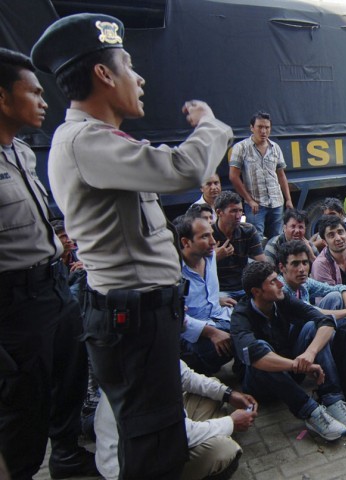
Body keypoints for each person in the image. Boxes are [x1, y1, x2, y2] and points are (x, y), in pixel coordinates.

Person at [31, 13, 233, 479]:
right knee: (150, 444)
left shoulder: (101, 142)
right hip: (132, 319)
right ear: (103, 74)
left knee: (157, 435)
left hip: (143, 316)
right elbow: (184, 167)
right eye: (128, 65)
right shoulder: (85, 142)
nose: (139, 78)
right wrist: (210, 123)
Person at [0, 47, 95, 480]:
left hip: (54, 288)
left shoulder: (20, 152)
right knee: (24, 405)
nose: (43, 101)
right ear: (3, 98)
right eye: (33, 93)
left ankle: (67, 458)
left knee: (69, 381)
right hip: (15, 305)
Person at [230, 261, 346, 441]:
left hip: (293, 368)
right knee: (260, 349)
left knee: (311, 327)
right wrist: (296, 364)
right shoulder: (240, 316)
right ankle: (311, 412)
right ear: (256, 292)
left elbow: (325, 321)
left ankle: (332, 399)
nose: (280, 284)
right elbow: (256, 358)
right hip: (259, 384)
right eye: (272, 282)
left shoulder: (282, 298)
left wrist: (310, 352)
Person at [95, 360, 257, 480]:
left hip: (159, 440)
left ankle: (210, 433)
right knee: (225, 450)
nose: (186, 313)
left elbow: (186, 376)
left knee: (213, 389)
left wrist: (229, 394)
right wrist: (231, 422)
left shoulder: (148, 350)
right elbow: (182, 434)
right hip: (133, 471)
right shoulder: (143, 385)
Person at [177, 215, 236, 376]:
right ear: (185, 242)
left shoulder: (210, 256)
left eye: (211, 234)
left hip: (220, 317)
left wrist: (218, 300)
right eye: (204, 236)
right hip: (194, 333)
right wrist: (211, 332)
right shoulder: (173, 273)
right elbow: (175, 317)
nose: (212, 241)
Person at [229, 111, 294, 239]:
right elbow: (233, 176)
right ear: (252, 128)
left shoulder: (275, 148)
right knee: (255, 240)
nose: (263, 131)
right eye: (260, 127)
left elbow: (281, 175)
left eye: (267, 127)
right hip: (256, 205)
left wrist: (288, 199)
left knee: (277, 239)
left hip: (276, 203)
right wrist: (249, 200)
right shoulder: (241, 147)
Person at [212, 191, 267, 299]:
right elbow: (197, 269)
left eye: (240, 211)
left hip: (244, 287)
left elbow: (262, 262)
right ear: (219, 212)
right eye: (233, 211)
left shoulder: (248, 230)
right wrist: (214, 257)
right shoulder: (209, 235)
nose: (238, 216)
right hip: (219, 290)